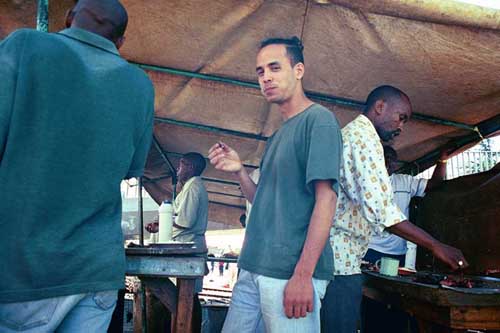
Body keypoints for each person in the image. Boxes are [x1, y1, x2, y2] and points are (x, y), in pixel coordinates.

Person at [0, 1, 154, 332]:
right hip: (96, 271)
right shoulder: (140, 84)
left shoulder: (25, 46)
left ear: (69, 18)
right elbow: (131, 167)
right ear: (121, 42)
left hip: (24, 272)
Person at [208, 36, 342, 333]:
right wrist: (240, 171)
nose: (266, 77)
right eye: (260, 72)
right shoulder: (278, 135)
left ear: (298, 70)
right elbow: (265, 202)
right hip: (254, 266)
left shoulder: (318, 121)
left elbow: (326, 200)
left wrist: (303, 276)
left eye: (274, 68)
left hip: (289, 272)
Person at [320, 85, 468, 333]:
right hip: (339, 265)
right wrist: (435, 245)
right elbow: (383, 212)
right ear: (380, 107)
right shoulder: (362, 139)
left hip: (342, 261)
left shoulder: (358, 136)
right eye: (401, 118)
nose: (401, 127)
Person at [364, 145, 450, 265]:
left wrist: (442, 160)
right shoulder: (365, 183)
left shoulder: (405, 181)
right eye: (384, 157)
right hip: (370, 249)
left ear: (396, 163)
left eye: (391, 159)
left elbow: (435, 183)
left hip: (398, 252)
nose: (388, 162)